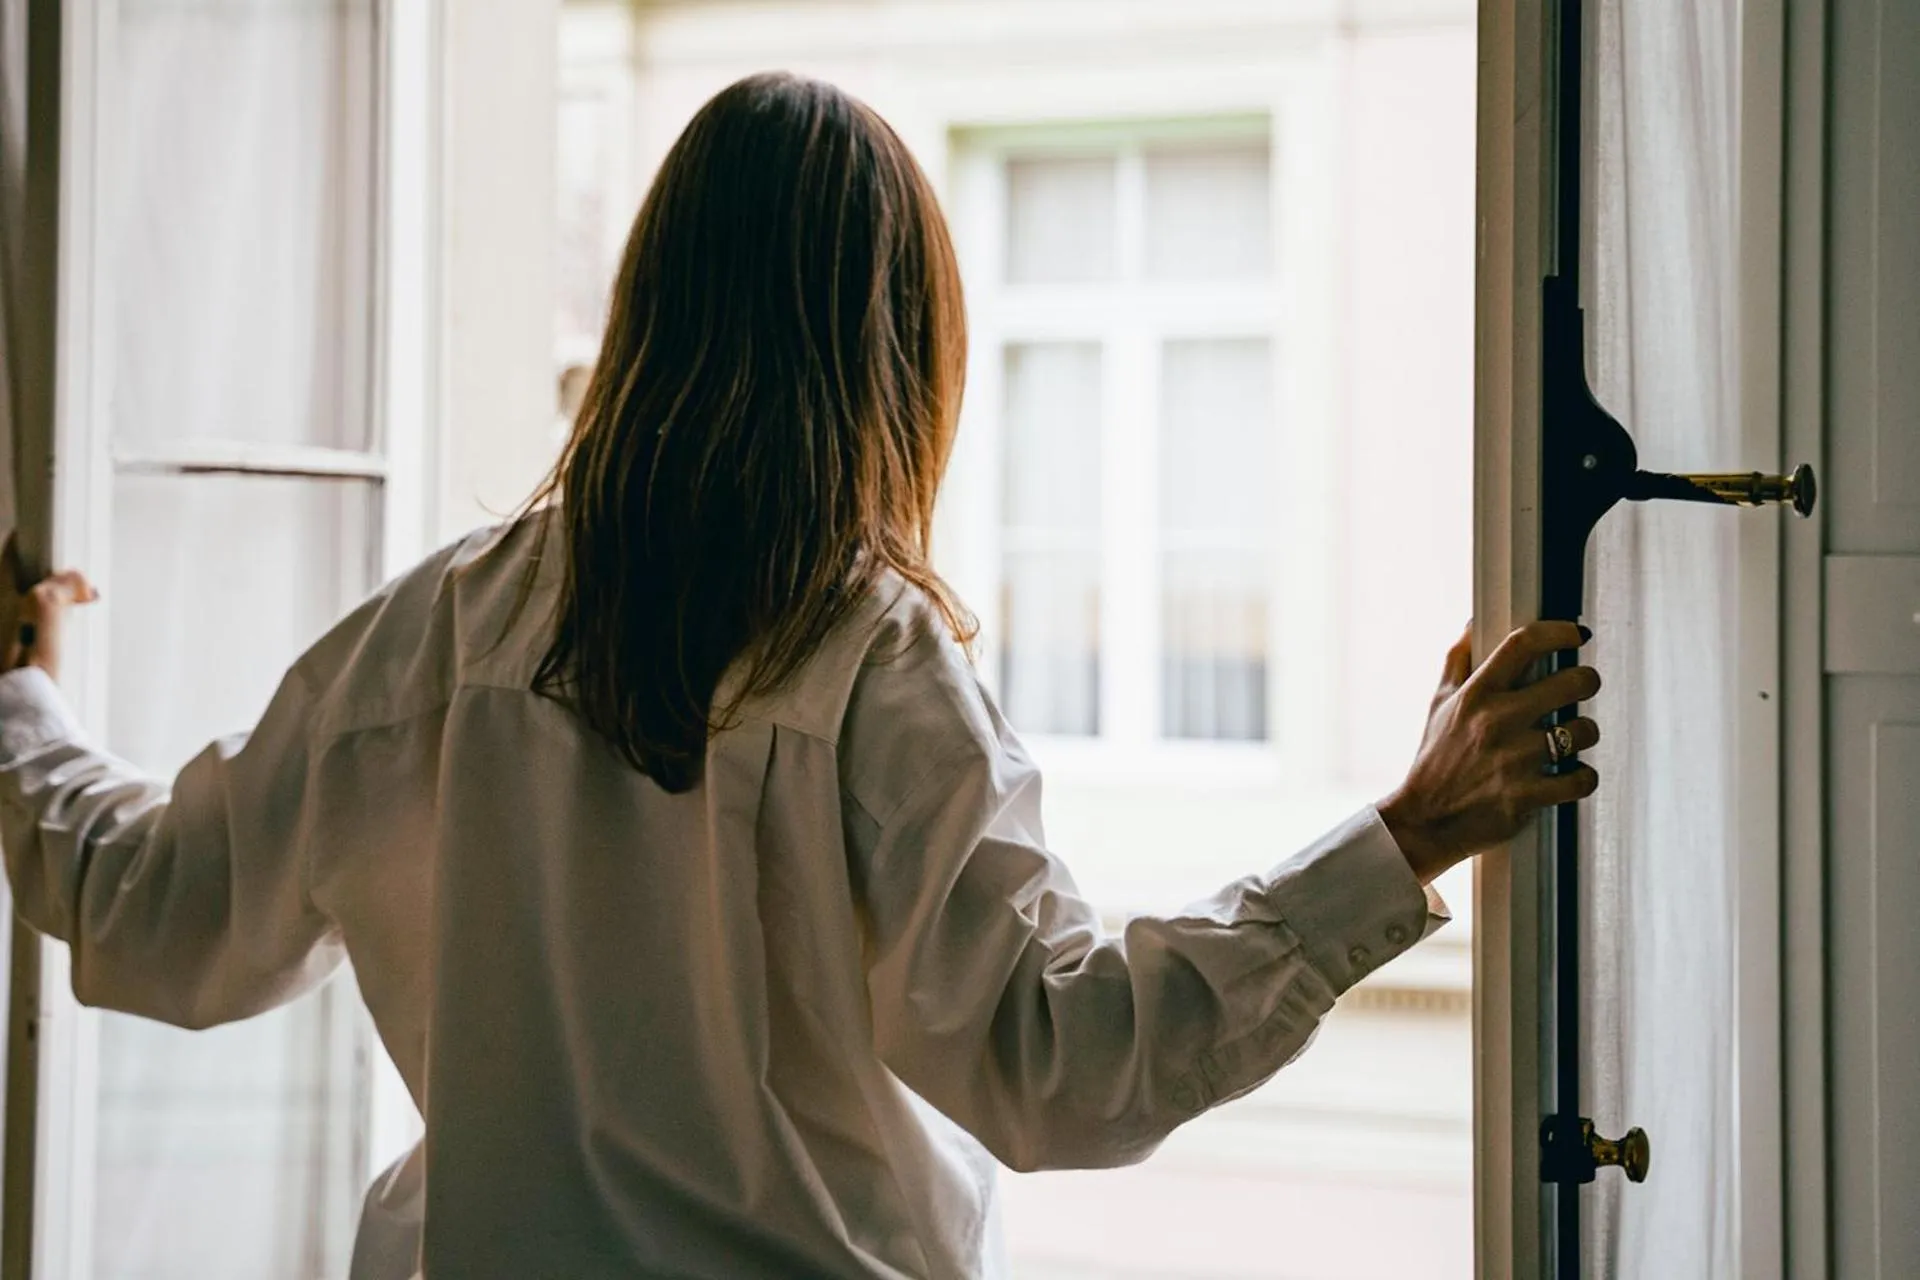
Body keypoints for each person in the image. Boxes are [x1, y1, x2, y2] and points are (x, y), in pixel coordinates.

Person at [0, 73, 1600, 1279]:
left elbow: (149, 906)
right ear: (897, 355)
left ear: (648, 311)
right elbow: (1058, 1069)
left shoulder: (430, 636)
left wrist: (16, 700)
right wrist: (1406, 835)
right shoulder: (864, 656)